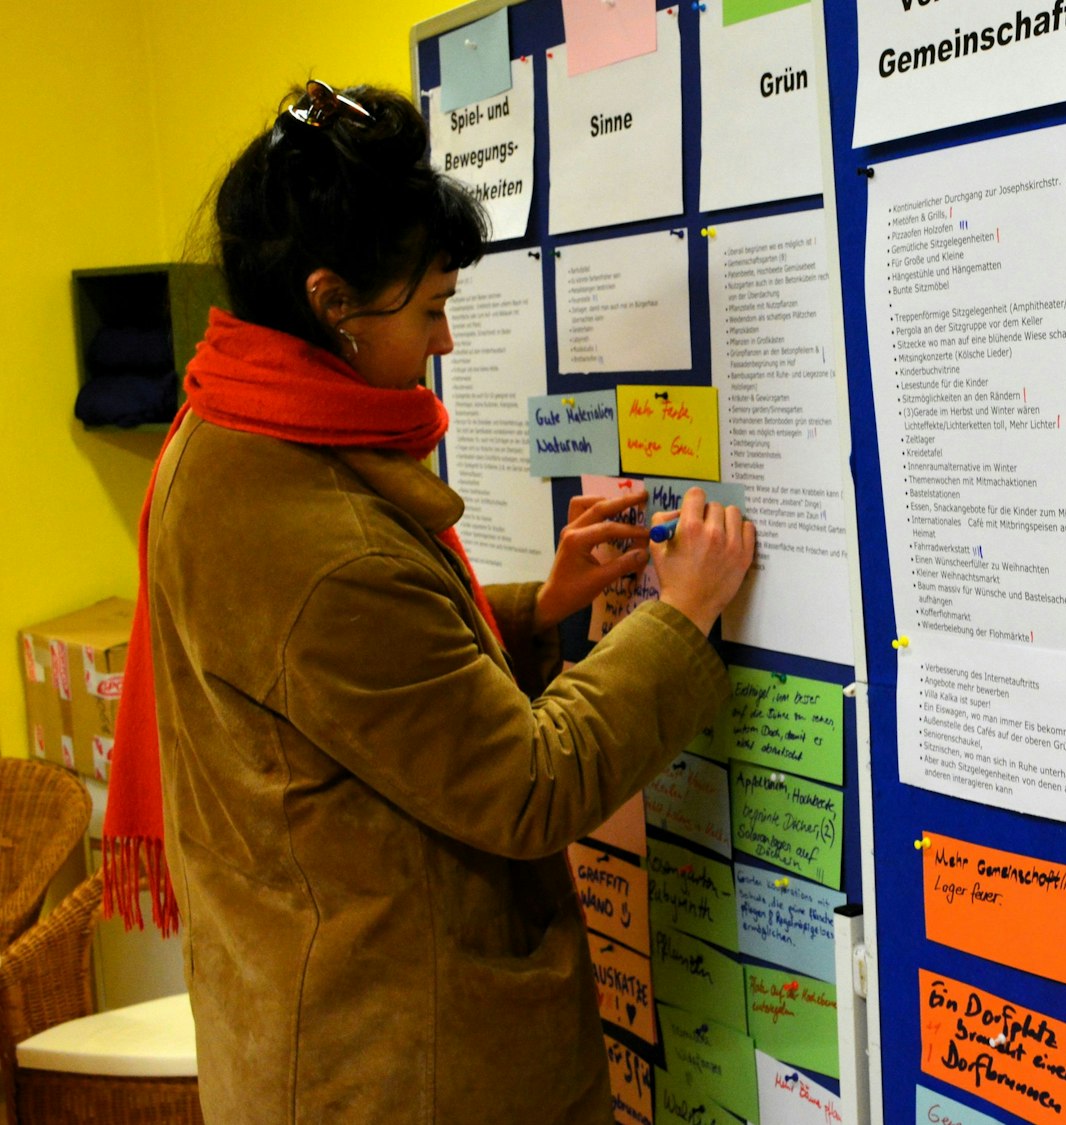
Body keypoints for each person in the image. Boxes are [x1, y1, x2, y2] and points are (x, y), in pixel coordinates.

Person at [100, 80, 754, 1122]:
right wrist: (677, 622)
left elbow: (339, 681)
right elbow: (528, 783)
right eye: (432, 307)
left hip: (312, 1015)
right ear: (331, 303)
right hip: (399, 1060)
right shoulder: (320, 537)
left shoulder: (223, 427)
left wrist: (544, 606)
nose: (446, 341)